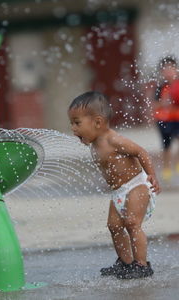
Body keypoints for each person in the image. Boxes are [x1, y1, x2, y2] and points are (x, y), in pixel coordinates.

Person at [68, 91, 160, 279]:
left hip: (136, 185)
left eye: (77, 123)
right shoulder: (94, 144)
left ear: (98, 122)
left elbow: (141, 152)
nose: (73, 129)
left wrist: (151, 175)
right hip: (119, 191)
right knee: (114, 226)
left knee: (132, 223)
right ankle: (126, 263)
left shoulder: (113, 139)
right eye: (72, 123)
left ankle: (141, 265)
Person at [153, 56, 179, 181]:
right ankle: (167, 168)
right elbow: (155, 104)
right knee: (166, 145)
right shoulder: (161, 87)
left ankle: (178, 164)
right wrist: (163, 103)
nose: (169, 71)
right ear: (162, 72)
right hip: (164, 120)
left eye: (171, 68)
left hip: (178, 119)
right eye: (165, 69)